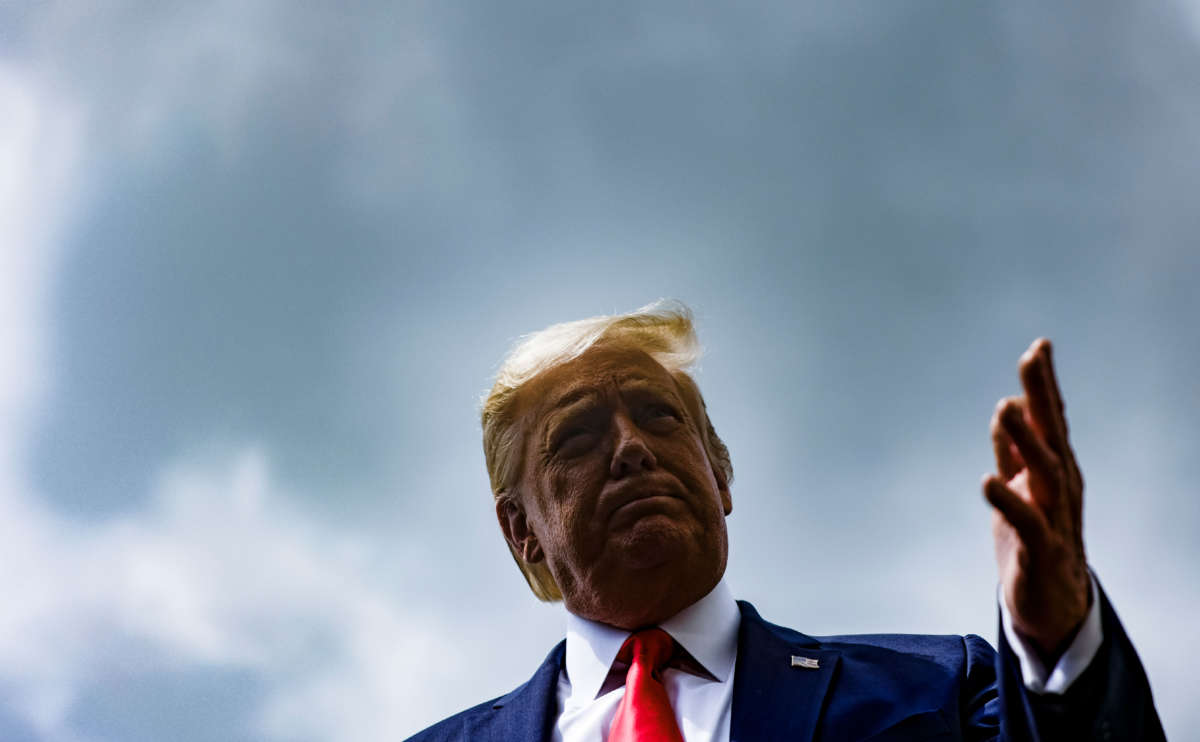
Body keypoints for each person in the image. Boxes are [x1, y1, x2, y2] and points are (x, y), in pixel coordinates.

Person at [408, 301, 1163, 741]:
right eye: (577, 437)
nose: (633, 449)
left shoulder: (943, 689)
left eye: (659, 417)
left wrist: (1060, 636)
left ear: (721, 474)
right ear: (522, 532)